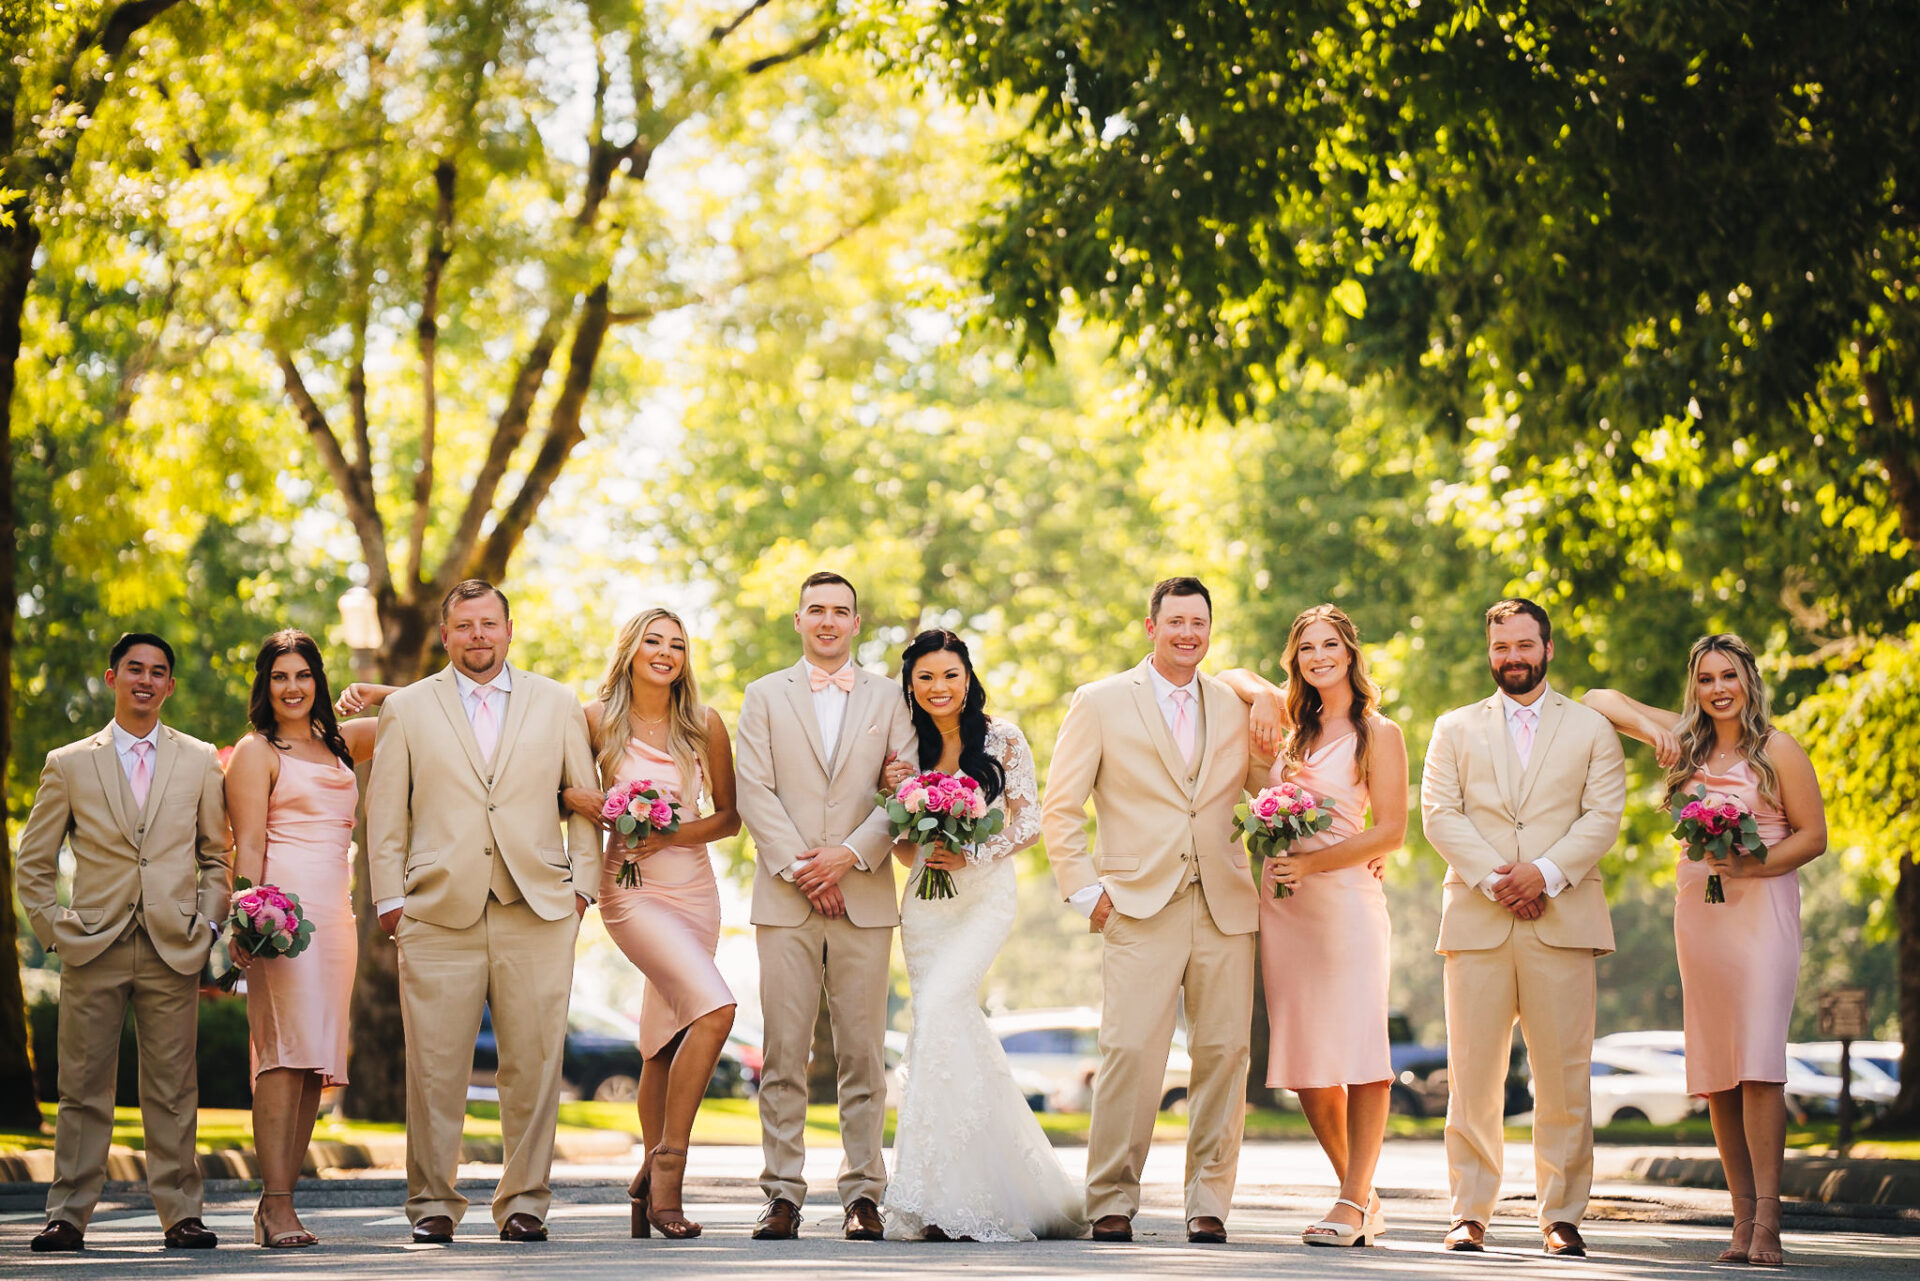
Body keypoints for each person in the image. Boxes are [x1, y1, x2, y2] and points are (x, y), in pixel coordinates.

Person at [365, 580, 599, 1244]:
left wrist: (581, 890)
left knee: (534, 1062)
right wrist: (391, 903)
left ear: (509, 629)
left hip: (540, 906)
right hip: (436, 912)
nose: (477, 636)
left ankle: (525, 1200)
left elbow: (582, 802)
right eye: (464, 625)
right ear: (445, 634)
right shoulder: (408, 708)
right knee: (434, 1065)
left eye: (488, 623)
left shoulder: (557, 704)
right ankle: (432, 1202)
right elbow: (386, 815)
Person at [1583, 634, 1827, 1267]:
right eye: (1706, 679)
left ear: (1748, 680)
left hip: (1760, 912)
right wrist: (1647, 726)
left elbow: (1815, 835)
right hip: (1701, 916)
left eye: (1729, 676)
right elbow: (1595, 699)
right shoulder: (1686, 746)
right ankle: (1739, 1220)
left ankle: (1770, 1220)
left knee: (1759, 1064)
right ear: (1694, 687)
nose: (1718, 689)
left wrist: (1755, 865)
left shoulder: (1778, 750)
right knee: (1719, 1073)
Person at [1040, 576, 1259, 1245]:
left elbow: (1274, 785)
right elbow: (1060, 808)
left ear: (1210, 630)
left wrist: (1267, 692)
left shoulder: (1233, 704)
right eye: (1176, 622)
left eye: (1200, 623)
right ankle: (1111, 1197)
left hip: (1224, 904)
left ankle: (1209, 1203)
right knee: (1130, 1053)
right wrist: (1089, 893)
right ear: (1150, 626)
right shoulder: (1101, 701)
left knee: (1225, 1055)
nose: (1188, 634)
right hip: (1135, 904)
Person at [1420, 598, 1625, 1258]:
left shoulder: (1593, 728)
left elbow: (1602, 817)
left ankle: (1561, 1214)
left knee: (1564, 1078)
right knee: (1473, 1078)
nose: (1512, 655)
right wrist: (1496, 879)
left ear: (1548, 647)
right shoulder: (1453, 727)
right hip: (1478, 920)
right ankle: (1468, 1213)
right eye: (1501, 644)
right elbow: (1439, 814)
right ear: (1490, 650)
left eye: (1524, 644)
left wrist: (1543, 872)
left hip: (1562, 920)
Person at [18, 633, 232, 1253]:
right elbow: (34, 864)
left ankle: (181, 1215)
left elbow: (216, 856)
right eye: (134, 668)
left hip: (173, 945)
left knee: (173, 1089)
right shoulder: (68, 762)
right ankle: (67, 1215)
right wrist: (56, 929)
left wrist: (209, 925)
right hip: (93, 944)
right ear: (112, 678)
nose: (146, 679)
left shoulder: (197, 761)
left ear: (169, 686)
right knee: (81, 1089)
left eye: (158, 671)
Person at [877, 630, 1086, 1242]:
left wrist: (970, 854)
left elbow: (1029, 822)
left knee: (943, 1010)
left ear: (967, 678)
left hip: (984, 896)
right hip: (924, 902)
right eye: (925, 678)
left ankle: (963, 1193)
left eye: (950, 675)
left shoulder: (1004, 738)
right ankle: (938, 1192)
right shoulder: (904, 752)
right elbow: (899, 844)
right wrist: (903, 812)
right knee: (941, 1027)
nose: (939, 688)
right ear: (910, 686)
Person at [733, 571, 915, 1241]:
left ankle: (864, 1193)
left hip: (864, 896)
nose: (829, 620)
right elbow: (753, 790)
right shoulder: (762, 695)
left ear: (858, 623)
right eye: (817, 609)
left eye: (841, 610)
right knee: (782, 1051)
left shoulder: (893, 698)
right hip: (785, 898)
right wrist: (806, 867)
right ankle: (781, 1192)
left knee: (863, 1053)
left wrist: (848, 856)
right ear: (799, 619)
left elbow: (908, 788)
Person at [1221, 605, 1406, 1246]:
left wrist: (1314, 862)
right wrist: (1266, 697)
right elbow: (1227, 674)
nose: (1319, 657)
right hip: (1286, 909)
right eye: (1306, 649)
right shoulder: (1288, 732)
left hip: (1347, 903)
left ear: (1351, 653)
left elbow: (1391, 831)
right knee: (1306, 1061)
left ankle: (1351, 1202)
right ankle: (1361, 1191)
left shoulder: (1379, 733)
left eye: (1331, 645)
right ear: (1294, 660)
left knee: (1360, 1052)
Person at [558, 608, 740, 1239]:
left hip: (695, 890)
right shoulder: (591, 721)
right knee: (717, 1010)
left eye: (677, 645)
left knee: (664, 1038)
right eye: (653, 641)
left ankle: (646, 1186)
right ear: (630, 650)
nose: (665, 653)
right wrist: (594, 804)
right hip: (629, 891)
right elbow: (549, 782)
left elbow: (728, 819)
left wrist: (667, 836)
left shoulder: (704, 725)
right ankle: (669, 1171)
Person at [223, 631, 377, 1247]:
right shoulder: (256, 751)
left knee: (315, 1061)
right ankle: (277, 1203)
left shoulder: (344, 743)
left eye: (304, 675)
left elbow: (424, 709)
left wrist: (373, 691)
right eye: (280, 676)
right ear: (265, 686)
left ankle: (280, 1202)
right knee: (283, 1055)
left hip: (336, 917)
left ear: (319, 681)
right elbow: (249, 843)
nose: (292, 687)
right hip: (280, 916)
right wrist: (244, 916)